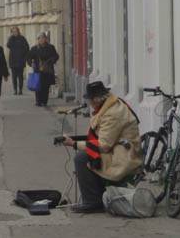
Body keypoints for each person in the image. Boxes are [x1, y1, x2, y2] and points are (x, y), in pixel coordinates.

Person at [58, 81, 142, 213]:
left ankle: (93, 201)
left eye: (90, 100)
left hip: (124, 155)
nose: (89, 104)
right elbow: (101, 138)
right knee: (86, 154)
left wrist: (73, 144)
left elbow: (103, 146)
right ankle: (97, 195)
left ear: (96, 100)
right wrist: (74, 140)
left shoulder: (112, 113)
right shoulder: (108, 106)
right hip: (116, 147)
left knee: (82, 158)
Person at [27, 33, 60, 107]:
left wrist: (51, 60)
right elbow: (29, 57)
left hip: (48, 70)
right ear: (38, 40)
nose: (41, 40)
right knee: (38, 86)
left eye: (43, 38)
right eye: (40, 38)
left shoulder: (51, 47)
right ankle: (38, 101)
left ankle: (44, 101)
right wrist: (31, 63)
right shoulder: (34, 48)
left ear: (46, 39)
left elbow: (56, 56)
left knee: (46, 86)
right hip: (38, 70)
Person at [5, 27, 30, 95]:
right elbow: (8, 45)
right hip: (13, 60)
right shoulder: (11, 39)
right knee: (14, 76)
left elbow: (27, 48)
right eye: (13, 32)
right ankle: (15, 90)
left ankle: (20, 90)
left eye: (15, 31)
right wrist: (10, 37)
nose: (14, 33)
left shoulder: (22, 38)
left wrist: (25, 57)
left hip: (20, 60)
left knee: (20, 76)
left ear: (18, 31)